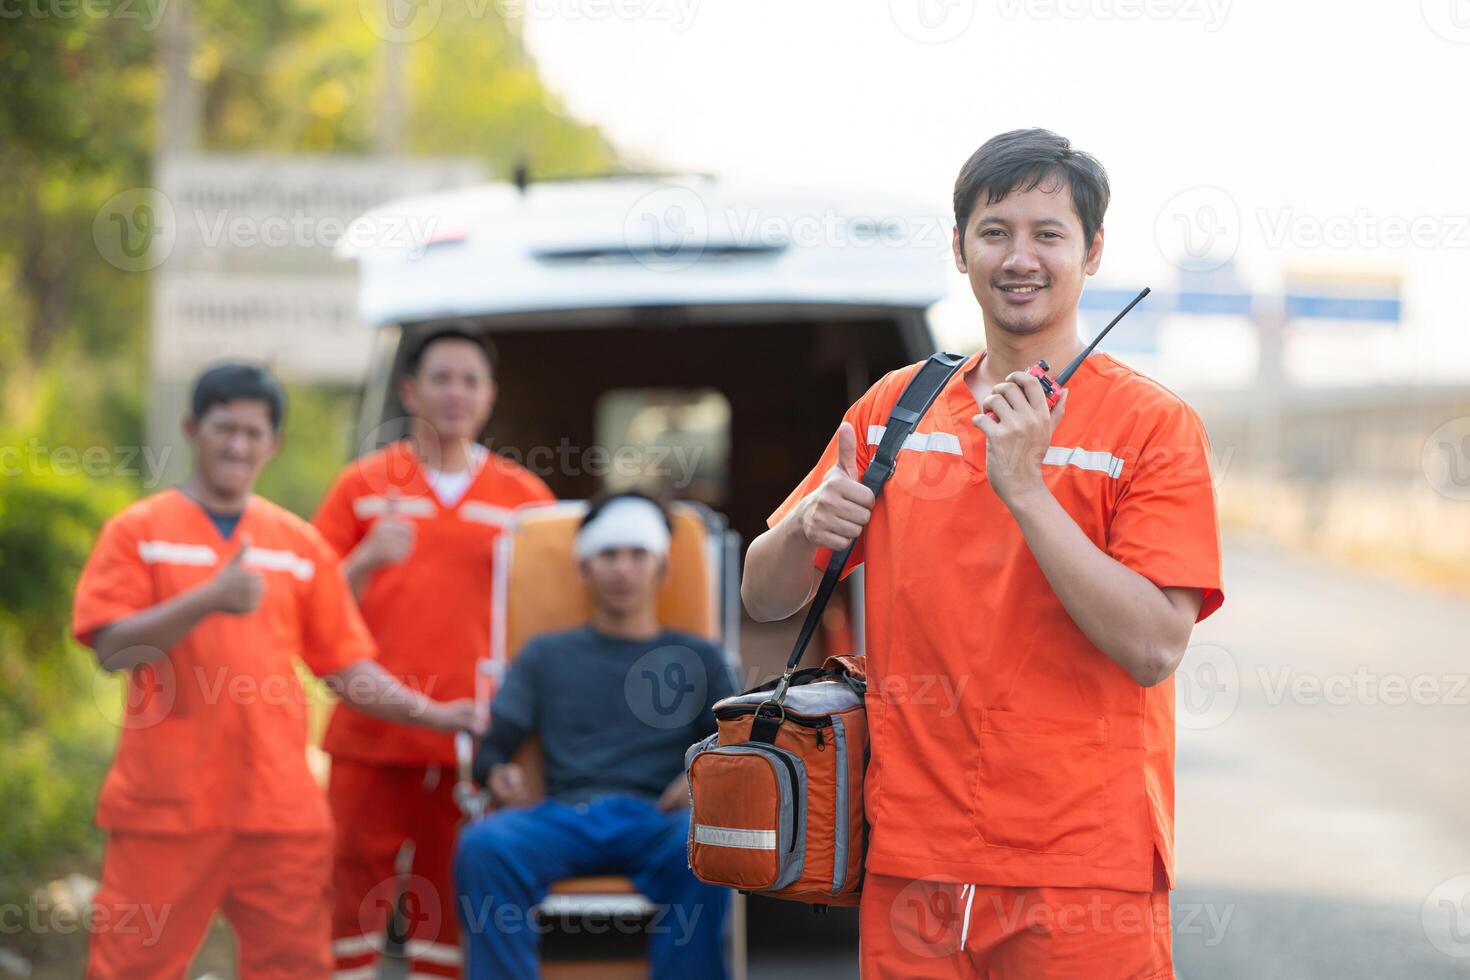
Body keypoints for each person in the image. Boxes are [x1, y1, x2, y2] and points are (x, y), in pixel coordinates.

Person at [742, 129, 1226, 979]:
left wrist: (1027, 491)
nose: (1020, 257)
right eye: (995, 231)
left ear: (1093, 250)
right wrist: (806, 525)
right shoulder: (897, 407)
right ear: (959, 248)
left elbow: (1153, 646)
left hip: (1082, 869)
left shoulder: (1152, 426)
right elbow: (763, 594)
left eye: (1049, 233)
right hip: (910, 858)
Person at [72, 362, 481, 980]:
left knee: (293, 967)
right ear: (193, 429)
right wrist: (208, 597)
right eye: (224, 428)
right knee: (134, 965)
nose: (238, 445)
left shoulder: (297, 546)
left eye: (253, 433)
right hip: (166, 808)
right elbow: (112, 649)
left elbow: (348, 669)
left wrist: (437, 713)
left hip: (279, 813)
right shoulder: (140, 532)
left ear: (274, 443)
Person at [312, 327, 555, 978]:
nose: (455, 393)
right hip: (371, 733)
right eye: (441, 378)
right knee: (351, 898)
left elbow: (551, 622)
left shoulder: (524, 500)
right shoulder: (361, 486)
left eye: (469, 381)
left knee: (451, 905)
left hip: (474, 739)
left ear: (490, 396)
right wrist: (367, 557)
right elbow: (307, 605)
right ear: (410, 389)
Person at [455, 491, 736, 980]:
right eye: (608, 555)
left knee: (706, 845)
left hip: (659, 821)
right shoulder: (546, 655)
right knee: (485, 845)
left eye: (637, 554)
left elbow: (735, 744)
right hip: (565, 817)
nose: (622, 569)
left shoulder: (699, 657)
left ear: (662, 568)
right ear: (584, 567)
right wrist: (494, 771)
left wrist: (700, 779)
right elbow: (496, 743)